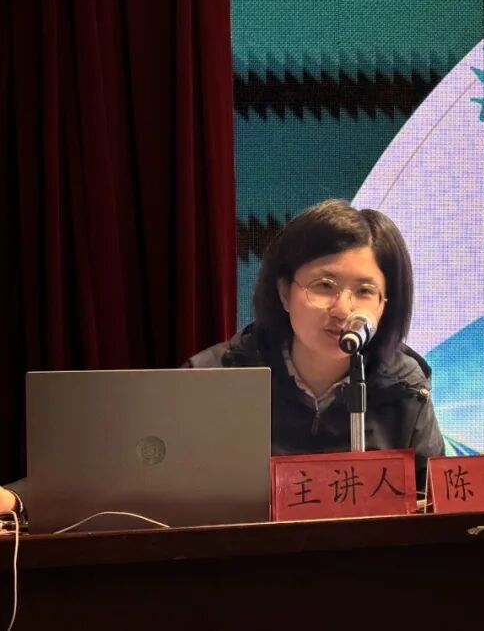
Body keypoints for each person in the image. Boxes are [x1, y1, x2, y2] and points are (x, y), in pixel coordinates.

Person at [1, 200, 444, 526]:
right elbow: (122, 476)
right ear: (284, 292)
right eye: (324, 285)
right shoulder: (215, 376)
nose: (343, 309)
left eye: (365, 291)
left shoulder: (406, 388)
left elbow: (439, 504)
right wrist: (20, 499)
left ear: (384, 305)